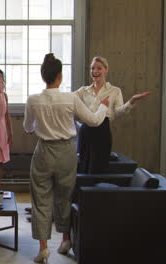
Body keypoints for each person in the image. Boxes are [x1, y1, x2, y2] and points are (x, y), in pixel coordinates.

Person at [23, 53, 110, 263]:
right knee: (65, 197)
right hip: (66, 152)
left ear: (44, 76)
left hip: (43, 151)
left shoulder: (33, 100)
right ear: (60, 76)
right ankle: (65, 240)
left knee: (41, 200)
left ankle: (43, 248)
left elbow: (27, 128)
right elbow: (93, 121)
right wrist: (104, 105)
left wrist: (42, 125)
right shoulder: (71, 98)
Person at [76, 56, 150, 173]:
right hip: (86, 132)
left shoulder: (115, 91)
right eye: (92, 68)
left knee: (99, 169)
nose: (95, 71)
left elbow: (119, 111)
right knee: (82, 167)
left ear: (106, 70)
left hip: (102, 133)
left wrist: (132, 101)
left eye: (99, 68)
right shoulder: (83, 90)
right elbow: (69, 102)